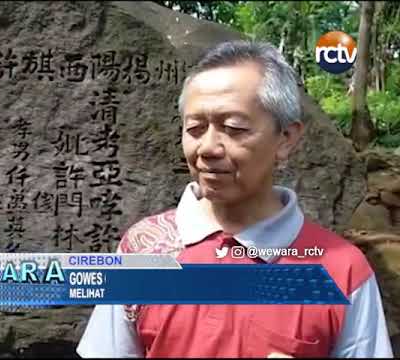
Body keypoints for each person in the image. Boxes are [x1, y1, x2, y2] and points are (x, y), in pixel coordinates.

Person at [76, 40, 394, 358]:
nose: (208, 148)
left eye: (234, 128)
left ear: (285, 139)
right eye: (195, 128)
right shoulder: (142, 249)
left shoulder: (341, 270)